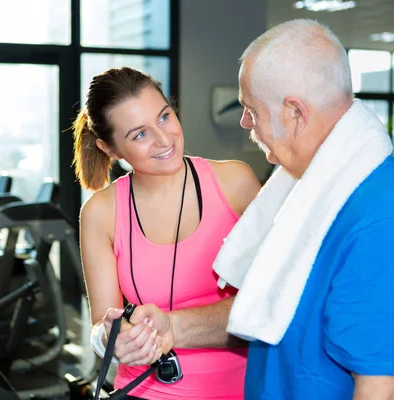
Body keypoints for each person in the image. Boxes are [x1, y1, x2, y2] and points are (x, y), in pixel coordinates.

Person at [209, 19, 394, 399]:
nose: (244, 122)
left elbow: (385, 391)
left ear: (295, 113)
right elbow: (269, 310)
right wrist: (171, 328)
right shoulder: (312, 192)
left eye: (251, 109)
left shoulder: (384, 227)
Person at [72, 67, 261, 399]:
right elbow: (102, 325)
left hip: (243, 388)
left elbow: (277, 298)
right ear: (110, 149)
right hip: (147, 392)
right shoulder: (101, 213)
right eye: (140, 134)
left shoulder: (235, 182)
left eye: (164, 117)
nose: (164, 139)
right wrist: (112, 339)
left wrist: (174, 327)